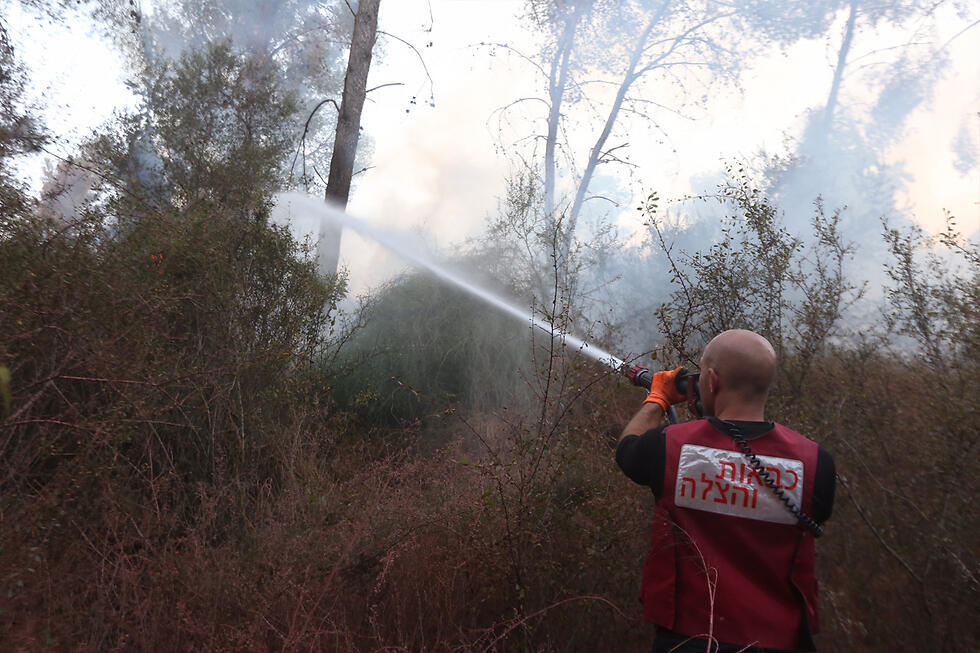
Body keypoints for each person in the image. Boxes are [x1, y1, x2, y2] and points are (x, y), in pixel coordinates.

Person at [617, 330, 836, 653]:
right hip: (781, 641)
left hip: (690, 640)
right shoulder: (816, 464)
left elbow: (627, 451)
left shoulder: (670, 446)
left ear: (712, 380)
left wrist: (659, 398)